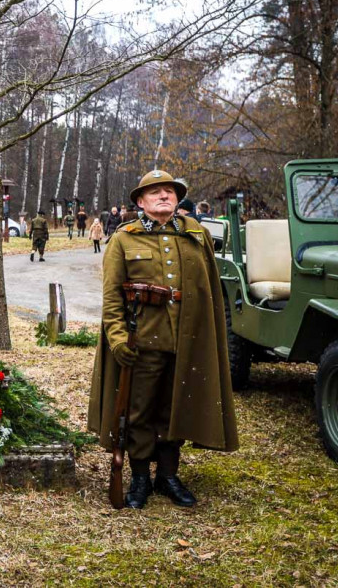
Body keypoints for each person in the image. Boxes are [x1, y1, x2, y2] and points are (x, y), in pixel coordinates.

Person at [88, 169, 238, 510]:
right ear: (140, 201)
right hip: (142, 341)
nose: (164, 196)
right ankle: (140, 476)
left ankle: (168, 475)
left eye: (169, 191)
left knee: (176, 406)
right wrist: (117, 338)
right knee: (139, 410)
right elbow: (112, 296)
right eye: (155, 192)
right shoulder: (124, 239)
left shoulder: (195, 234)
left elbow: (209, 290)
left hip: (187, 340)